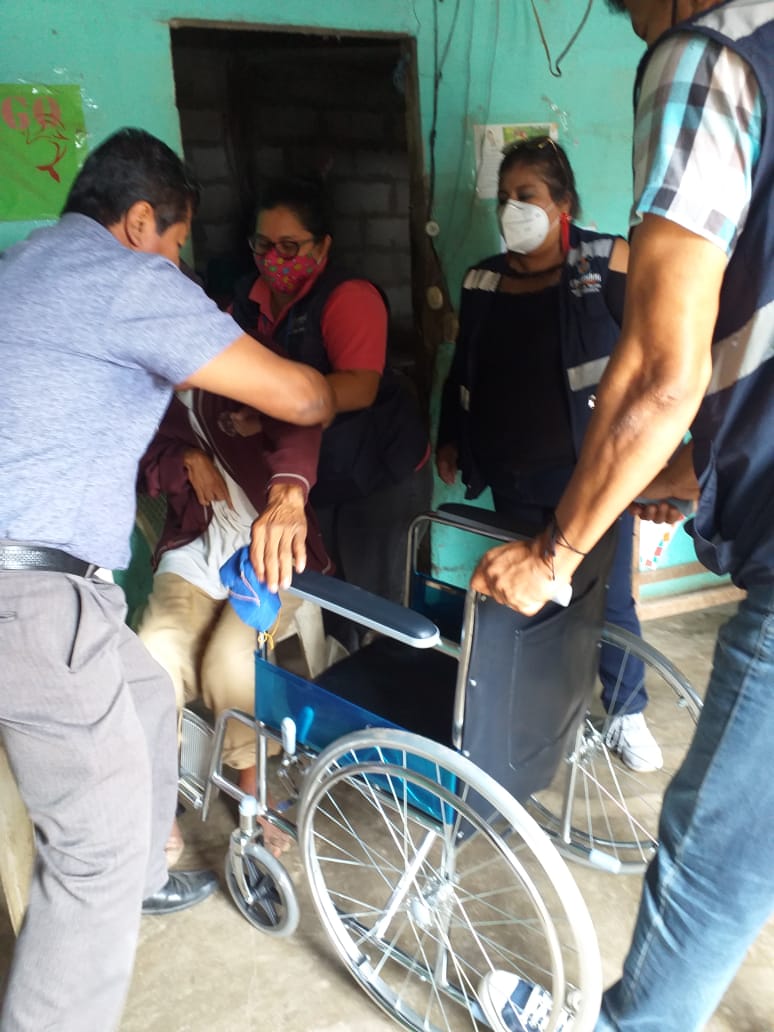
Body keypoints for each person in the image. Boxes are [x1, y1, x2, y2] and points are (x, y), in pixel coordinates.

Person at [474, 1, 773, 1030]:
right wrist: (689, 473)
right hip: (552, 471)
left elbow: (654, 374)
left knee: (712, 854)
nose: (632, 20)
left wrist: (558, 550)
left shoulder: (709, 53)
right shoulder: (484, 281)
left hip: (588, 478)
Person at [0, 127, 334, 1032]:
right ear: (141, 220)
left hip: (65, 582)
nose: (178, 266)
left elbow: (295, 427)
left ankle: (148, 869)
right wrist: (311, 396)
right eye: (176, 243)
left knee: (148, 690)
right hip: (32, 594)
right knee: (90, 857)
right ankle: (124, 874)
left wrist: (288, 486)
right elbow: (306, 397)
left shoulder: (21, 266)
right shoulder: (129, 283)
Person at [436, 137, 662, 772]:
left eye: (526, 195)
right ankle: (548, 720)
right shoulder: (482, 278)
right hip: (510, 473)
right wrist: (450, 435)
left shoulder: (606, 260)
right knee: (530, 603)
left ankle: (627, 712)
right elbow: (463, 368)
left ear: (563, 202)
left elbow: (653, 355)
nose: (512, 208)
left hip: (589, 476)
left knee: (603, 598)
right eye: (504, 197)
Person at [229, 176, 432, 637]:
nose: (273, 258)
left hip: (381, 471)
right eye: (263, 245)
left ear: (322, 247)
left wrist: (273, 406)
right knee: (329, 593)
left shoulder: (348, 297)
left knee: (376, 600)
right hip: (319, 472)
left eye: (289, 246)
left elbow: (359, 388)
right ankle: (344, 667)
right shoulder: (247, 301)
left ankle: (381, 675)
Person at [136, 387, 333, 855]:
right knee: (151, 655)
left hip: (271, 549)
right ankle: (158, 801)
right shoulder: (144, 385)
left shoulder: (241, 368)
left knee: (229, 661)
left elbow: (302, 411)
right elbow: (139, 463)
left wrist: (288, 489)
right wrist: (185, 459)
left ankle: (254, 786)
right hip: (197, 548)